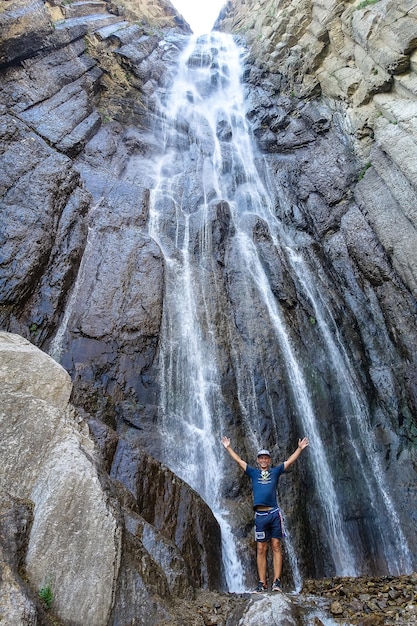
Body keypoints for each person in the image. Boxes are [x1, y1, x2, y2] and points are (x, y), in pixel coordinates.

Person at [221, 435, 309, 593]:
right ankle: (262, 583)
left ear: (269, 460)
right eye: (261, 458)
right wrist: (228, 447)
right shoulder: (253, 473)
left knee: (276, 546)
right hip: (260, 516)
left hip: (274, 513)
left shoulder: (275, 472)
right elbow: (239, 461)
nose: (263, 460)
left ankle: (277, 581)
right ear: (258, 460)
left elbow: (289, 462)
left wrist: (300, 449)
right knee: (261, 548)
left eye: (266, 458)